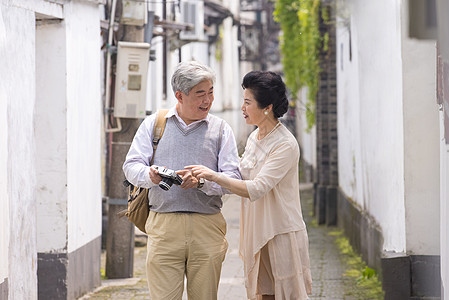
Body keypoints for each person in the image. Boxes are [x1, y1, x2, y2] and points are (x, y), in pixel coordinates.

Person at [186, 71, 312, 300]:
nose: (242, 108)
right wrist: (202, 179)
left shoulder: (285, 144)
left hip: (279, 232)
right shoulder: (256, 137)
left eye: (247, 102)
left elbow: (256, 188)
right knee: (261, 293)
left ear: (267, 107)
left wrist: (213, 176)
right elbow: (239, 176)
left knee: (284, 294)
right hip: (257, 229)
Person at [122, 60, 241, 300]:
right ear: (179, 95)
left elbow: (233, 179)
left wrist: (202, 182)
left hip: (207, 227)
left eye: (210, 93)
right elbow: (131, 166)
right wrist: (151, 176)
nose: (207, 100)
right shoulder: (155, 124)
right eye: (200, 94)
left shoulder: (221, 129)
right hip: (163, 226)